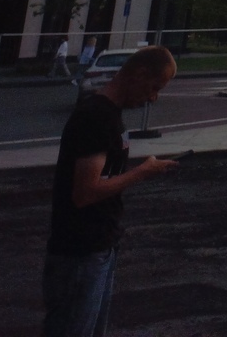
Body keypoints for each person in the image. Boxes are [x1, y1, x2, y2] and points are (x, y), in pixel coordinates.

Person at [47, 45, 180, 337]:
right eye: (154, 87)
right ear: (140, 74)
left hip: (98, 247)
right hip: (80, 251)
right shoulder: (97, 116)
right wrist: (142, 172)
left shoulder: (109, 115)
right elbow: (85, 191)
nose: (153, 98)